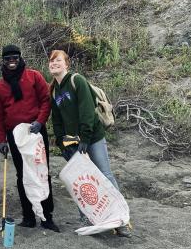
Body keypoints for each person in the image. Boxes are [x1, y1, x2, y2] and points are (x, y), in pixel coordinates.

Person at [48, 49, 132, 237]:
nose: (54, 64)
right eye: (51, 62)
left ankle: (121, 220)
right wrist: (63, 144)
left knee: (105, 174)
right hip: (73, 144)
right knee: (81, 181)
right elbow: (57, 121)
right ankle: (88, 218)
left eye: (58, 61)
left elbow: (87, 111)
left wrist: (85, 138)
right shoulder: (53, 91)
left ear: (66, 64)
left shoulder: (76, 81)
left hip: (92, 138)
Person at [0, 45, 60, 231]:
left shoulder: (34, 76)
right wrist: (1, 140)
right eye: (7, 59)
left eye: (14, 57)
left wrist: (40, 122)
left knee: (41, 172)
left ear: (20, 58)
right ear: (3, 61)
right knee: (22, 175)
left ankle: (47, 216)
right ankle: (29, 216)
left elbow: (46, 100)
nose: (11, 61)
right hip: (15, 136)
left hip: (35, 132)